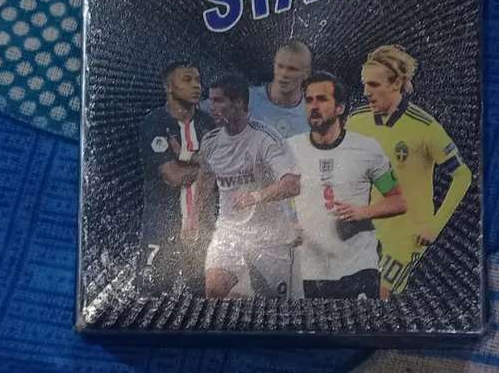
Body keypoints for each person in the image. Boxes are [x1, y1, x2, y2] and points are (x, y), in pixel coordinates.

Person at [348, 45, 472, 297]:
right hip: (365, 228)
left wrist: (434, 226)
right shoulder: (357, 120)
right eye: (364, 84)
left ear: (396, 84)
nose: (366, 92)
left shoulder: (425, 127)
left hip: (407, 235)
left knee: (380, 295)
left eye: (374, 85)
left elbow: (463, 175)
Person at [288, 71, 406, 300]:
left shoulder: (367, 148)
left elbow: (398, 200)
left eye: (322, 99)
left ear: (340, 108)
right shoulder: (289, 149)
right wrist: (287, 223)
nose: (314, 106)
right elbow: (272, 197)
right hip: (310, 270)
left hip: (358, 267)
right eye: (309, 100)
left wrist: (363, 212)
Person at [196, 74, 302, 299]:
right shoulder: (210, 142)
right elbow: (205, 178)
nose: (211, 107)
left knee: (277, 309)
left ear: (239, 103)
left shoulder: (265, 138)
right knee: (215, 289)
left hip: (270, 237)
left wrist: (256, 196)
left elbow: (292, 185)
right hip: (230, 232)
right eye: (210, 100)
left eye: (218, 101)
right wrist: (193, 218)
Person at [138, 61, 216, 295]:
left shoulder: (208, 124)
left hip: (202, 225)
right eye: (187, 79)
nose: (196, 86)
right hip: (162, 224)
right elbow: (173, 176)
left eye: (198, 80)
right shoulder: (155, 123)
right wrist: (203, 167)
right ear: (168, 87)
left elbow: (219, 171)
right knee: (153, 297)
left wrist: (185, 156)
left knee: (201, 296)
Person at [248, 40, 312, 137]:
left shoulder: (313, 112)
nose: (284, 74)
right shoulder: (247, 100)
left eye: (292, 69)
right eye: (280, 66)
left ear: (306, 73)